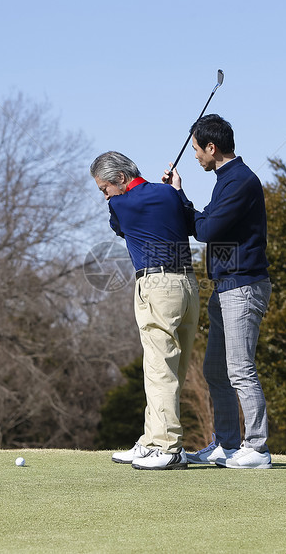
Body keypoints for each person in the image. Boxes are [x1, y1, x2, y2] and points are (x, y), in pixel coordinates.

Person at [163, 114, 273, 469]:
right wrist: (177, 196)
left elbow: (207, 229)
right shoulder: (225, 180)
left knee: (240, 369)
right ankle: (227, 445)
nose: (195, 156)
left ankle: (257, 449)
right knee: (215, 370)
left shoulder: (240, 181)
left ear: (212, 148)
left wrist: (181, 198)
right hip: (225, 288)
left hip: (243, 287)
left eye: (197, 150)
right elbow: (202, 223)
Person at [90, 151, 200, 470]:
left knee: (158, 368)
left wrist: (153, 193)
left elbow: (120, 229)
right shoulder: (169, 193)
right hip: (189, 287)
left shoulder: (119, 204)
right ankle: (152, 439)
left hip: (156, 286)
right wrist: (174, 190)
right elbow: (190, 221)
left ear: (120, 179)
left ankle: (168, 447)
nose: (105, 196)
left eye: (104, 189)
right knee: (171, 370)